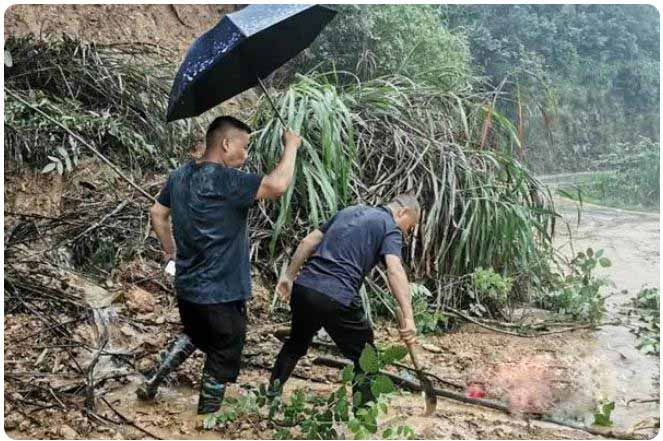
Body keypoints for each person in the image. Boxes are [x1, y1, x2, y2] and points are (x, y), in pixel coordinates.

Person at [137, 116, 302, 416]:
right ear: (226, 144)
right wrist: (291, 146)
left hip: (188, 288)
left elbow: (157, 214)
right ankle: (206, 421)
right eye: (245, 146)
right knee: (223, 352)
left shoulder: (179, 175)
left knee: (196, 334)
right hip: (222, 293)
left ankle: (152, 380)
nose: (247, 154)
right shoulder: (228, 180)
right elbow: (278, 185)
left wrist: (170, 252)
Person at [269, 195, 420, 407]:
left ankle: (269, 396)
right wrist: (409, 317)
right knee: (366, 356)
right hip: (337, 296)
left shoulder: (349, 211)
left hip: (305, 288)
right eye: (409, 227)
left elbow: (308, 241)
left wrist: (289, 275)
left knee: (295, 343)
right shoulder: (389, 226)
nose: (405, 234)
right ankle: (363, 416)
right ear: (402, 212)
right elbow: (394, 270)